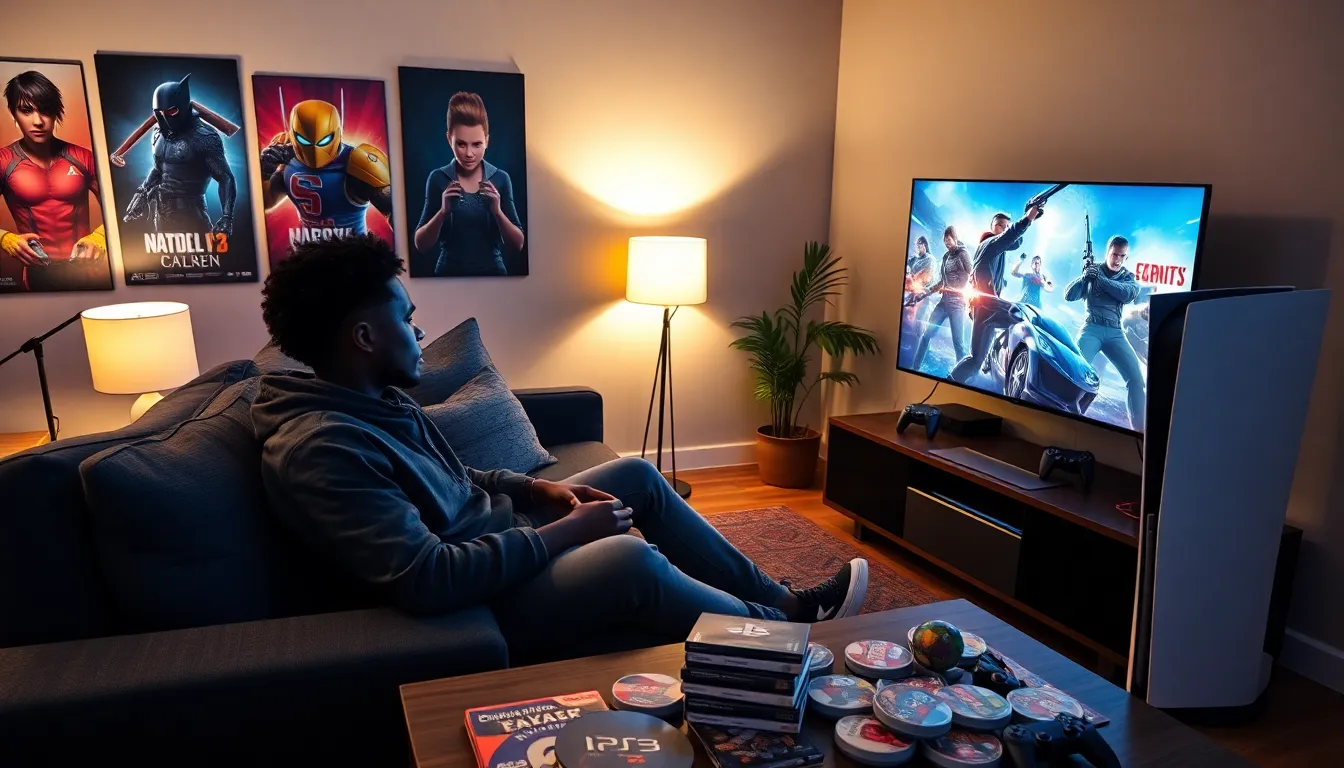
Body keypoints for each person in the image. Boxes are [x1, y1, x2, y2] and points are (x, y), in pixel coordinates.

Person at [253, 235, 868, 658]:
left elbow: (453, 475)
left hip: (497, 539)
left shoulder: (369, 398)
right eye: (407, 318)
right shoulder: (321, 450)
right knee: (632, 561)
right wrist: (569, 532)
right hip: (485, 597)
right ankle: (780, 645)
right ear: (363, 336)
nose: (418, 332)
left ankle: (784, 603)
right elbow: (426, 578)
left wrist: (536, 487)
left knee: (637, 475)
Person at [0, 70, 108, 292]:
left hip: (89, 272)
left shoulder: (82, 157)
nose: (38, 121)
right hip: (38, 276)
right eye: (26, 111)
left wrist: (100, 237)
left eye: (46, 111)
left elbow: (123, 210)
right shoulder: (4, 161)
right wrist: (5, 239)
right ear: (13, 113)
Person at [413, 92, 524, 276]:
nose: (469, 154)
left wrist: (497, 212)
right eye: (461, 144)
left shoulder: (501, 178)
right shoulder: (438, 178)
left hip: (496, 280)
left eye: (477, 144)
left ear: (487, 141)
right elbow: (421, 245)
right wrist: (442, 213)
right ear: (449, 140)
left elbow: (518, 244)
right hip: (446, 278)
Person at [259, 97, 393, 246]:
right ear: (293, 134)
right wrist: (265, 172)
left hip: (353, 257)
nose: (315, 150)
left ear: (338, 133)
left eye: (323, 141)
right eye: (304, 141)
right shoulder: (284, 155)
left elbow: (393, 214)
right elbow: (266, 202)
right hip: (307, 256)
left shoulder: (358, 162)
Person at [122, 75, 237, 238]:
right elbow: (159, 169)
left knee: (200, 259)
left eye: (171, 111)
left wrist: (227, 217)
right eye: (159, 113)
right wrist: (143, 191)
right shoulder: (158, 133)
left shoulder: (204, 137)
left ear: (182, 106)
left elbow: (226, 178)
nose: (165, 118)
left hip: (191, 215)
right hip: (161, 215)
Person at [948, 207, 1041, 384]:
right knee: (1021, 317)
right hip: (985, 306)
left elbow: (1014, 242)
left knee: (976, 359)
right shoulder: (989, 243)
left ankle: (968, 378)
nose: (1006, 229)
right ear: (995, 227)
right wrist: (1028, 218)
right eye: (1003, 226)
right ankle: (953, 380)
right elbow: (1009, 237)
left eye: (1008, 226)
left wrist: (1029, 219)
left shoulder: (997, 250)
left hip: (987, 306)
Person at [1064, 235, 1145, 429]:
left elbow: (1127, 294)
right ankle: (1066, 418)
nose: (1117, 259)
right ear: (1108, 252)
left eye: (1122, 256)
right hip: (1091, 328)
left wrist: (1099, 279)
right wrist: (1084, 278)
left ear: (1126, 257)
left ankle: (1141, 433)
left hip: (1115, 333)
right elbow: (1069, 295)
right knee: (1076, 371)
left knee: (1136, 380)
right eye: (1114, 254)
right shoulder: (1093, 271)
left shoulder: (1128, 278)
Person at [909, 227, 971, 371]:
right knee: (926, 335)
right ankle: (915, 367)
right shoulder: (945, 256)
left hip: (957, 305)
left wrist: (973, 302)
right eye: (944, 241)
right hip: (943, 303)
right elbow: (941, 282)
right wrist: (924, 294)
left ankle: (959, 379)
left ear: (955, 238)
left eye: (948, 240)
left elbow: (972, 274)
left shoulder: (963, 254)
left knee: (958, 344)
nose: (946, 243)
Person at [904, 236, 935, 329]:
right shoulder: (915, 258)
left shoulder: (930, 259)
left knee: (919, 324)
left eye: (919, 245)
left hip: (922, 294)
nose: (917, 247)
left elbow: (928, 278)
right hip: (911, 292)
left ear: (924, 245)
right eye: (916, 245)